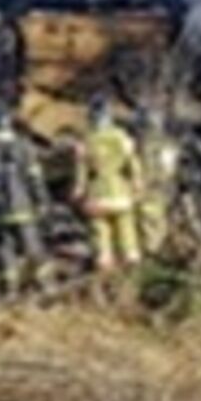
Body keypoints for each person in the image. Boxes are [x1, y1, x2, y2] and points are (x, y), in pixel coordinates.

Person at [0, 114, 51, 295]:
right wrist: (42, 201)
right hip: (23, 207)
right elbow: (35, 179)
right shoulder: (23, 147)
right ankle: (44, 284)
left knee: (4, 249)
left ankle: (9, 288)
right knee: (32, 246)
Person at [73, 98, 144, 274]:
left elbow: (81, 172)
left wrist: (79, 190)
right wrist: (137, 183)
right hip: (120, 190)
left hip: (97, 193)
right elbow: (133, 164)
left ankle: (104, 258)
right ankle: (130, 256)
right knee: (125, 225)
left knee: (100, 227)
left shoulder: (86, 141)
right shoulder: (121, 137)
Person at [135, 107, 181, 256]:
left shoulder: (147, 143)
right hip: (155, 184)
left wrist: (160, 179)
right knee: (153, 215)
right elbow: (170, 166)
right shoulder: (164, 143)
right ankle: (153, 245)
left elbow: (168, 167)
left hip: (153, 184)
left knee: (152, 215)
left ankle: (152, 247)